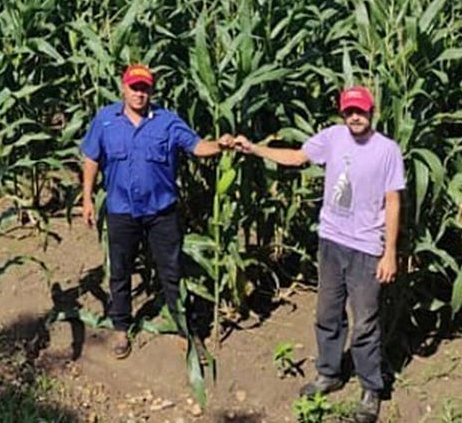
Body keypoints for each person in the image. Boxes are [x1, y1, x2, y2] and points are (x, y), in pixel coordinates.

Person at [234, 86, 403, 423]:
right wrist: (254, 149)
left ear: (372, 112)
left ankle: (371, 388)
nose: (355, 117)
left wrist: (390, 253)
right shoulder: (332, 137)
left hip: (366, 247)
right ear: (342, 113)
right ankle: (329, 373)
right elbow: (297, 157)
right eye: (349, 111)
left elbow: (393, 202)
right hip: (331, 241)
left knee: (365, 321)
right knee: (327, 312)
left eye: (361, 111)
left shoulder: (387, 150)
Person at [80, 63, 234, 359]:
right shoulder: (105, 121)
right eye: (134, 87)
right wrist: (87, 198)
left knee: (172, 272)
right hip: (121, 210)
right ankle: (121, 328)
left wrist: (221, 145)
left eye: (144, 88)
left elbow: (197, 146)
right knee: (120, 271)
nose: (139, 93)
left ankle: (187, 331)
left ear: (151, 90)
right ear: (123, 88)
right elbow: (91, 158)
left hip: (161, 211)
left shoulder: (167, 121)